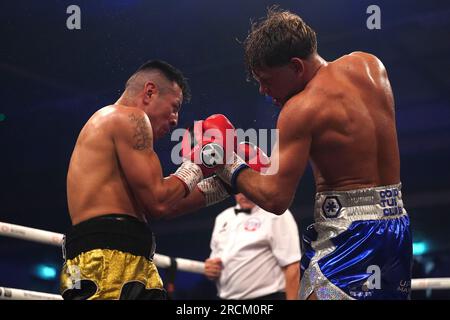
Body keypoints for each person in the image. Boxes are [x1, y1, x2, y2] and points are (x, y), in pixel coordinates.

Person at [214, 8, 413, 300]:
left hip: (350, 236)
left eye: (267, 80)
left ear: (296, 67)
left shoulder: (300, 109)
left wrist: (225, 162)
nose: (262, 90)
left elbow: (275, 198)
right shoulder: (370, 65)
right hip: (397, 226)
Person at [60, 60, 237, 300]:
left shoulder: (112, 126)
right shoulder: (128, 117)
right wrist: (201, 161)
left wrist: (225, 185)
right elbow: (159, 201)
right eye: (174, 107)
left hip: (113, 258)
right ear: (150, 92)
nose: (175, 119)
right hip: (109, 260)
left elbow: (165, 204)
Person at [204, 193, 301, 300]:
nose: (245, 195)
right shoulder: (223, 217)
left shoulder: (276, 214)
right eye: (240, 189)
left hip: (267, 297)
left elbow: (292, 266)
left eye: (247, 189)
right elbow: (216, 259)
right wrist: (211, 268)